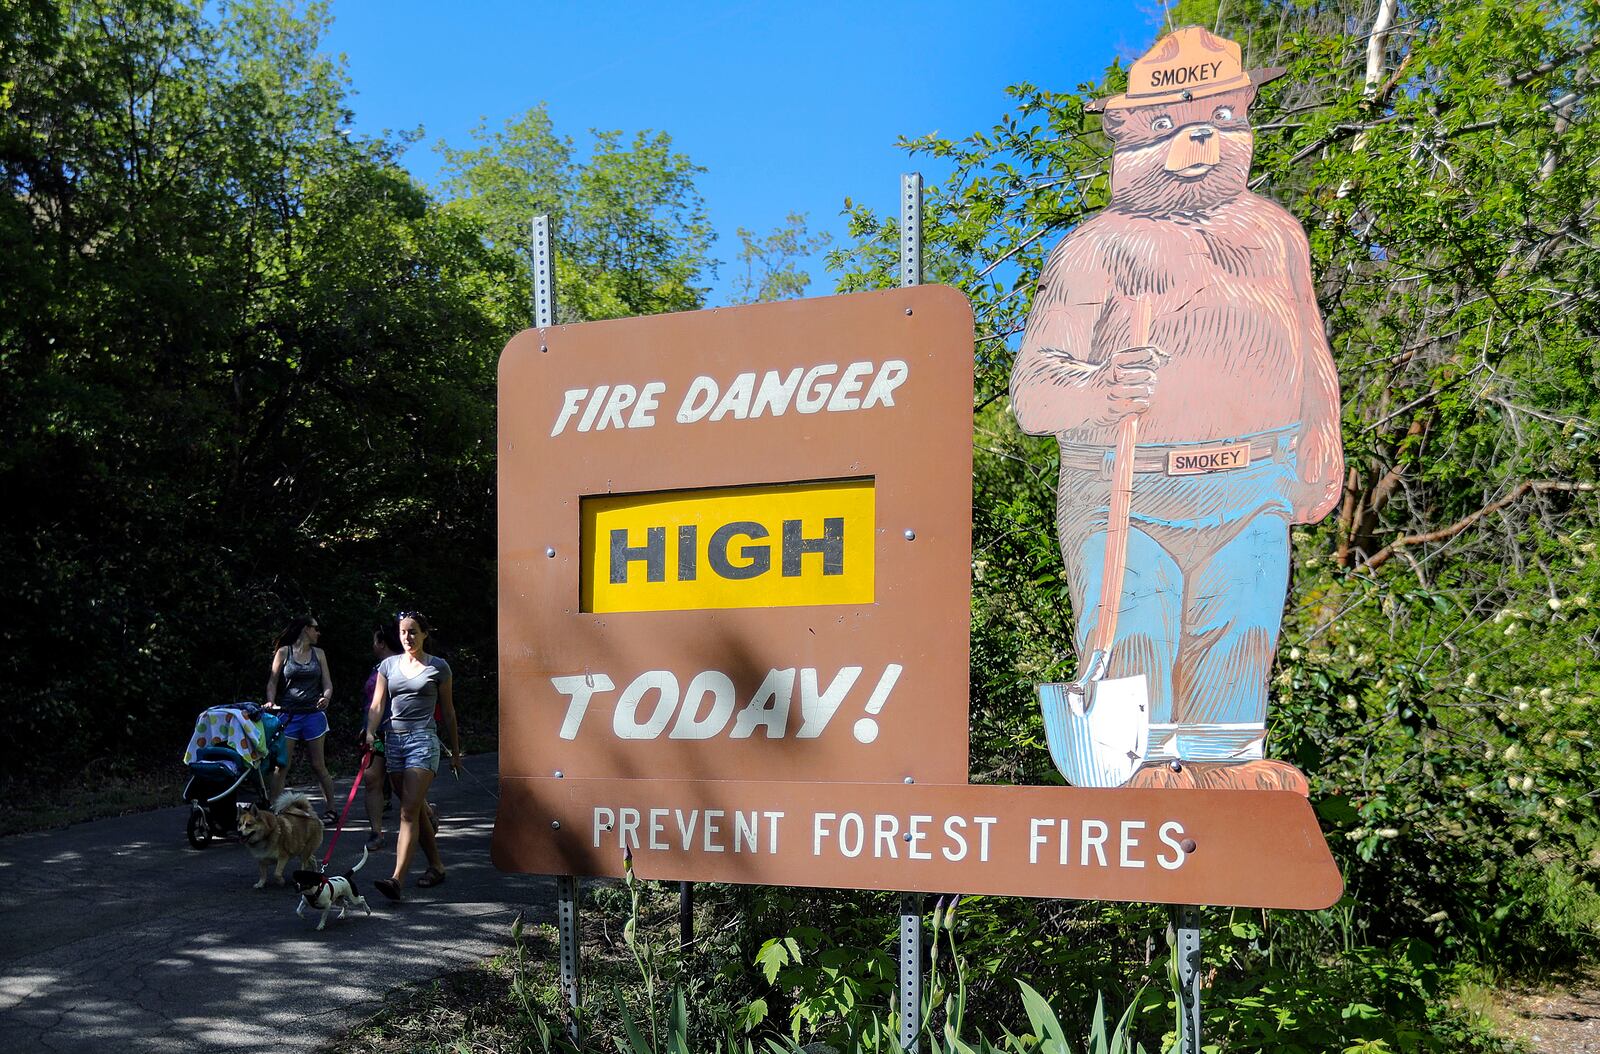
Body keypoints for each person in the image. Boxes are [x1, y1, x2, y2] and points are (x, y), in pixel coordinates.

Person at [365, 610, 461, 901]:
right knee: (415, 809)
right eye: (403, 632)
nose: (407, 637)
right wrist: (370, 732)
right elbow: (378, 704)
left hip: (423, 740)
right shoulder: (387, 666)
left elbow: (449, 711)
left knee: (408, 811)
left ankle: (397, 879)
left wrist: (456, 752)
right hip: (393, 739)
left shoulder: (438, 667)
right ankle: (436, 866)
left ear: (424, 634)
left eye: (413, 631)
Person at [265, 616, 338, 823]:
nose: (318, 633)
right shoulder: (284, 652)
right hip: (289, 715)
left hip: (313, 715)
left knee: (318, 764)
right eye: (316, 628)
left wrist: (326, 696)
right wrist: (270, 702)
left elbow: (328, 684)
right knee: (282, 765)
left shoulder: (319, 654)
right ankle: (274, 810)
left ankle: (331, 809)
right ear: (306, 629)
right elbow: (272, 682)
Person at [361, 623, 403, 849]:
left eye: (374, 641)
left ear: (382, 642)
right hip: (374, 732)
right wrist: (366, 727)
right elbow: (371, 703)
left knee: (400, 785)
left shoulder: (402, 665)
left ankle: (426, 813)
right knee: (371, 779)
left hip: (397, 731)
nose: (373, 645)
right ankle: (376, 832)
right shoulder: (377, 667)